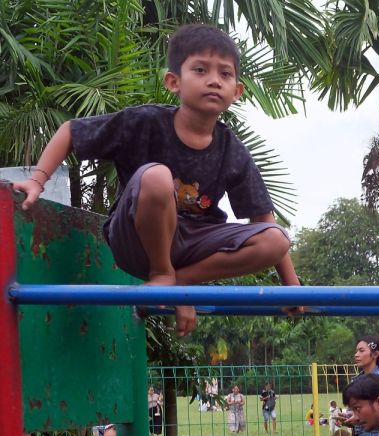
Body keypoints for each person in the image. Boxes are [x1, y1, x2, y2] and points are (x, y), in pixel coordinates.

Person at [10, 24, 299, 336]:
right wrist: (38, 180)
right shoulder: (146, 121)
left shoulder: (232, 149)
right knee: (158, 176)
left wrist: (293, 288)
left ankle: (179, 280)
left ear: (237, 91)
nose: (214, 80)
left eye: (225, 74)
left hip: (193, 244)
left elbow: (263, 221)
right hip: (135, 239)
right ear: (173, 81)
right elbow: (71, 131)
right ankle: (162, 274)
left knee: (276, 238)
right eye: (200, 70)